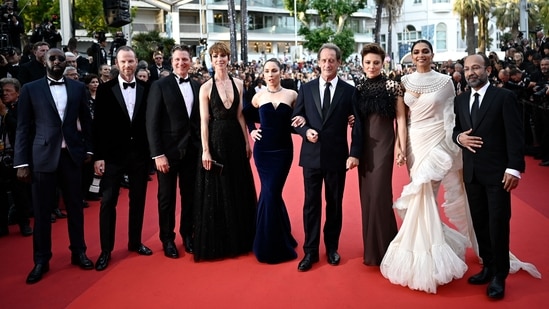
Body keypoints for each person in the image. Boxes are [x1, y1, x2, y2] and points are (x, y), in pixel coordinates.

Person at [380, 40, 472, 293]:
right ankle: (432, 243)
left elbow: (450, 117)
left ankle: (426, 254)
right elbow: (401, 117)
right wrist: (400, 147)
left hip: (436, 142)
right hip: (414, 142)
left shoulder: (445, 82)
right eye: (416, 52)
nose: (421, 55)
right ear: (411, 56)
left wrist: (450, 144)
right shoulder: (404, 82)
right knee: (420, 193)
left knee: (425, 193)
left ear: (432, 54)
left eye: (425, 51)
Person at [14, 48, 94, 284]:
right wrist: (22, 162)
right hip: (42, 158)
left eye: (61, 58)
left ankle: (79, 252)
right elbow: (23, 128)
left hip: (71, 157)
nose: (57, 61)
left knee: (76, 209)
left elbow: (87, 122)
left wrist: (88, 149)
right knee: (41, 212)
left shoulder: (78, 88)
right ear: (44, 62)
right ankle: (41, 259)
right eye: (53, 58)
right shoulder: (31, 88)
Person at [453, 54, 525, 300]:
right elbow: (456, 129)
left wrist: (514, 168)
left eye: (476, 68)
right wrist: (459, 138)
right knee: (480, 223)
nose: (471, 72)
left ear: (488, 70)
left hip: (498, 174)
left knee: (497, 224)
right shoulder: (460, 100)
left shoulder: (504, 97)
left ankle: (499, 275)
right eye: (467, 69)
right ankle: (488, 266)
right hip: (472, 173)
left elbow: (516, 135)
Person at [292, 43, 362, 272]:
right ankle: (310, 251)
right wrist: (305, 131)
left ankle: (332, 248)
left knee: (334, 205)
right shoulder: (307, 87)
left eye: (332, 60)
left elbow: (357, 124)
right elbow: (296, 118)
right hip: (311, 157)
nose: (327, 64)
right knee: (311, 206)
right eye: (324, 60)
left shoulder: (349, 91)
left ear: (339, 63)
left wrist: (354, 154)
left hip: (336, 157)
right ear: (318, 62)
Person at [194, 42, 257, 261]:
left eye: (223, 55)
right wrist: (205, 151)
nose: (220, 59)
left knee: (238, 185)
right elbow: (203, 122)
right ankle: (222, 241)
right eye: (216, 56)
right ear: (211, 60)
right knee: (219, 189)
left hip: (235, 140)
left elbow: (240, 115)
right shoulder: (205, 88)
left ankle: (242, 238)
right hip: (216, 140)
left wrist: (247, 141)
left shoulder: (239, 83)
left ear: (229, 59)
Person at [93, 46, 152, 271]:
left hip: (139, 154)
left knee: (138, 200)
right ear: (116, 64)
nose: (127, 65)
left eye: (131, 61)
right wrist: (98, 157)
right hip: (112, 156)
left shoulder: (148, 88)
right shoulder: (105, 90)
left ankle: (135, 242)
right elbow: (97, 125)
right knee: (108, 201)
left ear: (137, 62)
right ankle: (105, 250)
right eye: (123, 62)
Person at [353, 43, 406, 266]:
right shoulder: (359, 87)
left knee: (379, 195)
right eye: (368, 62)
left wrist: (400, 146)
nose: (372, 66)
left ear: (382, 62)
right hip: (364, 147)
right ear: (362, 64)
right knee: (367, 198)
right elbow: (356, 118)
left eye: (376, 62)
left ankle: (386, 247)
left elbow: (401, 119)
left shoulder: (393, 86)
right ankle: (372, 250)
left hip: (384, 144)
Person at [146, 45, 201, 259]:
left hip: (192, 152)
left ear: (190, 61)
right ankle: (167, 238)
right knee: (166, 198)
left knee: (190, 197)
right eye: (177, 59)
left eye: (185, 59)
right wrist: (157, 154)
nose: (181, 63)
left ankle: (188, 234)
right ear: (171, 61)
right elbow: (151, 122)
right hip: (167, 154)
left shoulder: (197, 86)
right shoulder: (160, 86)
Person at [250, 58, 303, 264]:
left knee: (271, 192)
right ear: (263, 74)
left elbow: (299, 119)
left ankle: (272, 238)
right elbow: (246, 113)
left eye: (274, 70)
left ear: (281, 72)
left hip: (282, 152)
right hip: (262, 152)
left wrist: (303, 125)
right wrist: (252, 130)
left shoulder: (292, 95)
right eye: (266, 71)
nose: (270, 74)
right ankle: (271, 241)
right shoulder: (258, 96)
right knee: (270, 192)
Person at [0, 78, 32, 237]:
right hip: (1, 156)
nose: (4, 94)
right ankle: (2, 226)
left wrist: (5, 114)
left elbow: (20, 128)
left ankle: (24, 224)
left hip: (16, 156)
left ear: (17, 93)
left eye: (8, 91)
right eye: (2, 91)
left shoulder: (21, 108)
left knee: (20, 193)